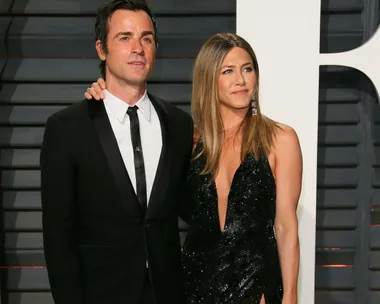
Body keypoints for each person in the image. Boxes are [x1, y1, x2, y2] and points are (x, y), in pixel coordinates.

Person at [86, 33, 302, 304]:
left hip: (257, 287)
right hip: (193, 288)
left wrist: (291, 295)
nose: (241, 80)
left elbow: (285, 225)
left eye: (247, 69)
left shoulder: (280, 140)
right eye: (228, 71)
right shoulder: (185, 141)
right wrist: (104, 97)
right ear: (209, 79)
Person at [40, 1, 193, 304]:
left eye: (147, 38)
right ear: (101, 49)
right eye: (125, 37)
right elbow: (58, 237)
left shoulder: (179, 124)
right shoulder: (68, 128)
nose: (138, 47)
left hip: (168, 293)